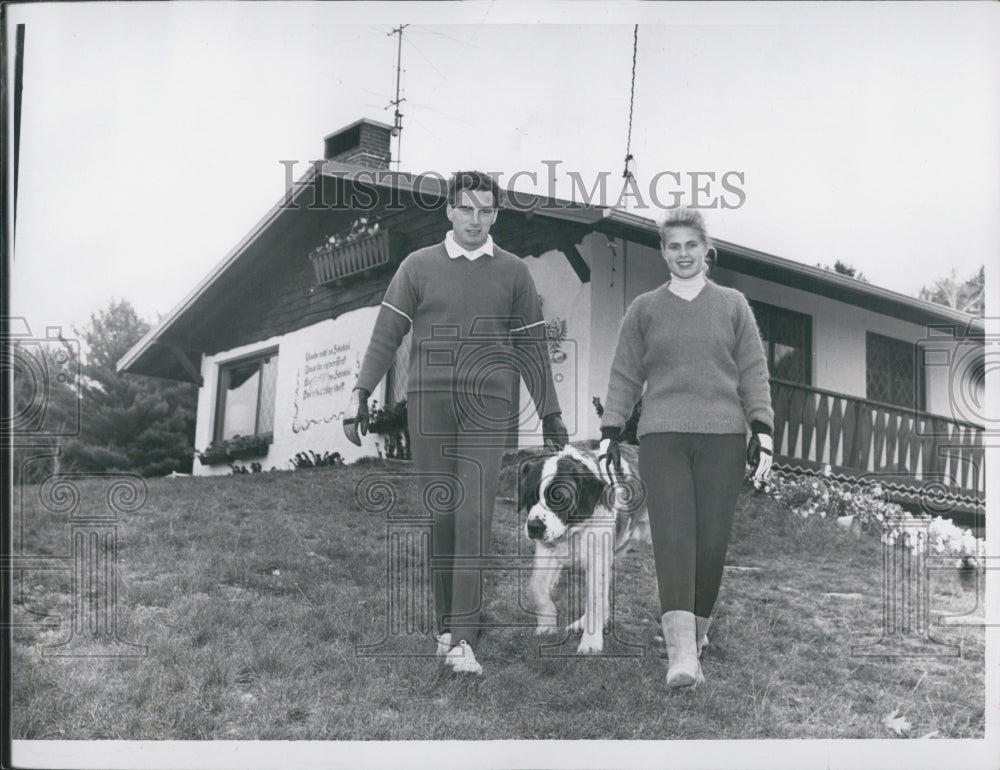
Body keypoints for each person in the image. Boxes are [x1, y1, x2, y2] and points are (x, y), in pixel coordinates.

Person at [346, 170, 569, 675]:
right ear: (449, 210)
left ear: (495, 215)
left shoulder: (513, 272)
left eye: (485, 210)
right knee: (441, 514)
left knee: (473, 514)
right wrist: (362, 390)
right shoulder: (416, 266)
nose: (475, 219)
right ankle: (446, 627)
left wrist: (550, 409)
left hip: (489, 405)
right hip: (430, 403)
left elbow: (533, 347)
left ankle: (464, 638)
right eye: (466, 208)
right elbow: (387, 333)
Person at [597, 207, 773, 688]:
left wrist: (763, 430)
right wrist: (611, 429)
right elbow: (625, 374)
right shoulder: (645, 310)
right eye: (672, 246)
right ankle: (681, 657)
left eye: (690, 245)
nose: (682, 254)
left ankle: (696, 637)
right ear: (663, 252)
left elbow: (754, 372)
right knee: (674, 538)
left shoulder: (733, 305)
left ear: (706, 249)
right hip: (662, 436)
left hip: (723, 438)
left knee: (710, 542)